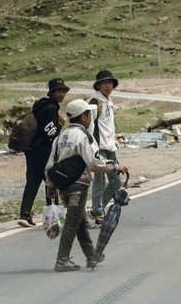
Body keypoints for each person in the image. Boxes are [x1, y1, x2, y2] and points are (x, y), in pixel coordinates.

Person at [45, 99, 128, 272]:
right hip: (79, 184)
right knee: (74, 220)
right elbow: (93, 162)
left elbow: (50, 165)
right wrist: (114, 166)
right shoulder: (84, 136)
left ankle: (92, 255)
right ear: (84, 117)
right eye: (89, 114)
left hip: (64, 187)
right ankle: (62, 259)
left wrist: (51, 186)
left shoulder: (60, 137)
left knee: (80, 220)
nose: (90, 117)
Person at [18, 78, 69, 228]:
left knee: (32, 182)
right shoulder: (51, 108)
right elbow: (49, 131)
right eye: (58, 91)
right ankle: (53, 220)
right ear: (51, 93)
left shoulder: (39, 106)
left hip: (31, 150)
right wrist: (60, 124)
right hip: (44, 151)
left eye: (63, 91)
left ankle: (24, 215)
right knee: (51, 182)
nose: (61, 95)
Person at [88, 69, 121, 226]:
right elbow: (89, 126)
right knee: (99, 182)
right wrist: (92, 147)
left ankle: (97, 208)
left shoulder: (109, 100)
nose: (108, 86)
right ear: (98, 85)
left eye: (110, 83)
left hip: (110, 146)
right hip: (99, 147)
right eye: (104, 83)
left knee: (115, 181)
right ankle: (99, 213)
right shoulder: (94, 102)